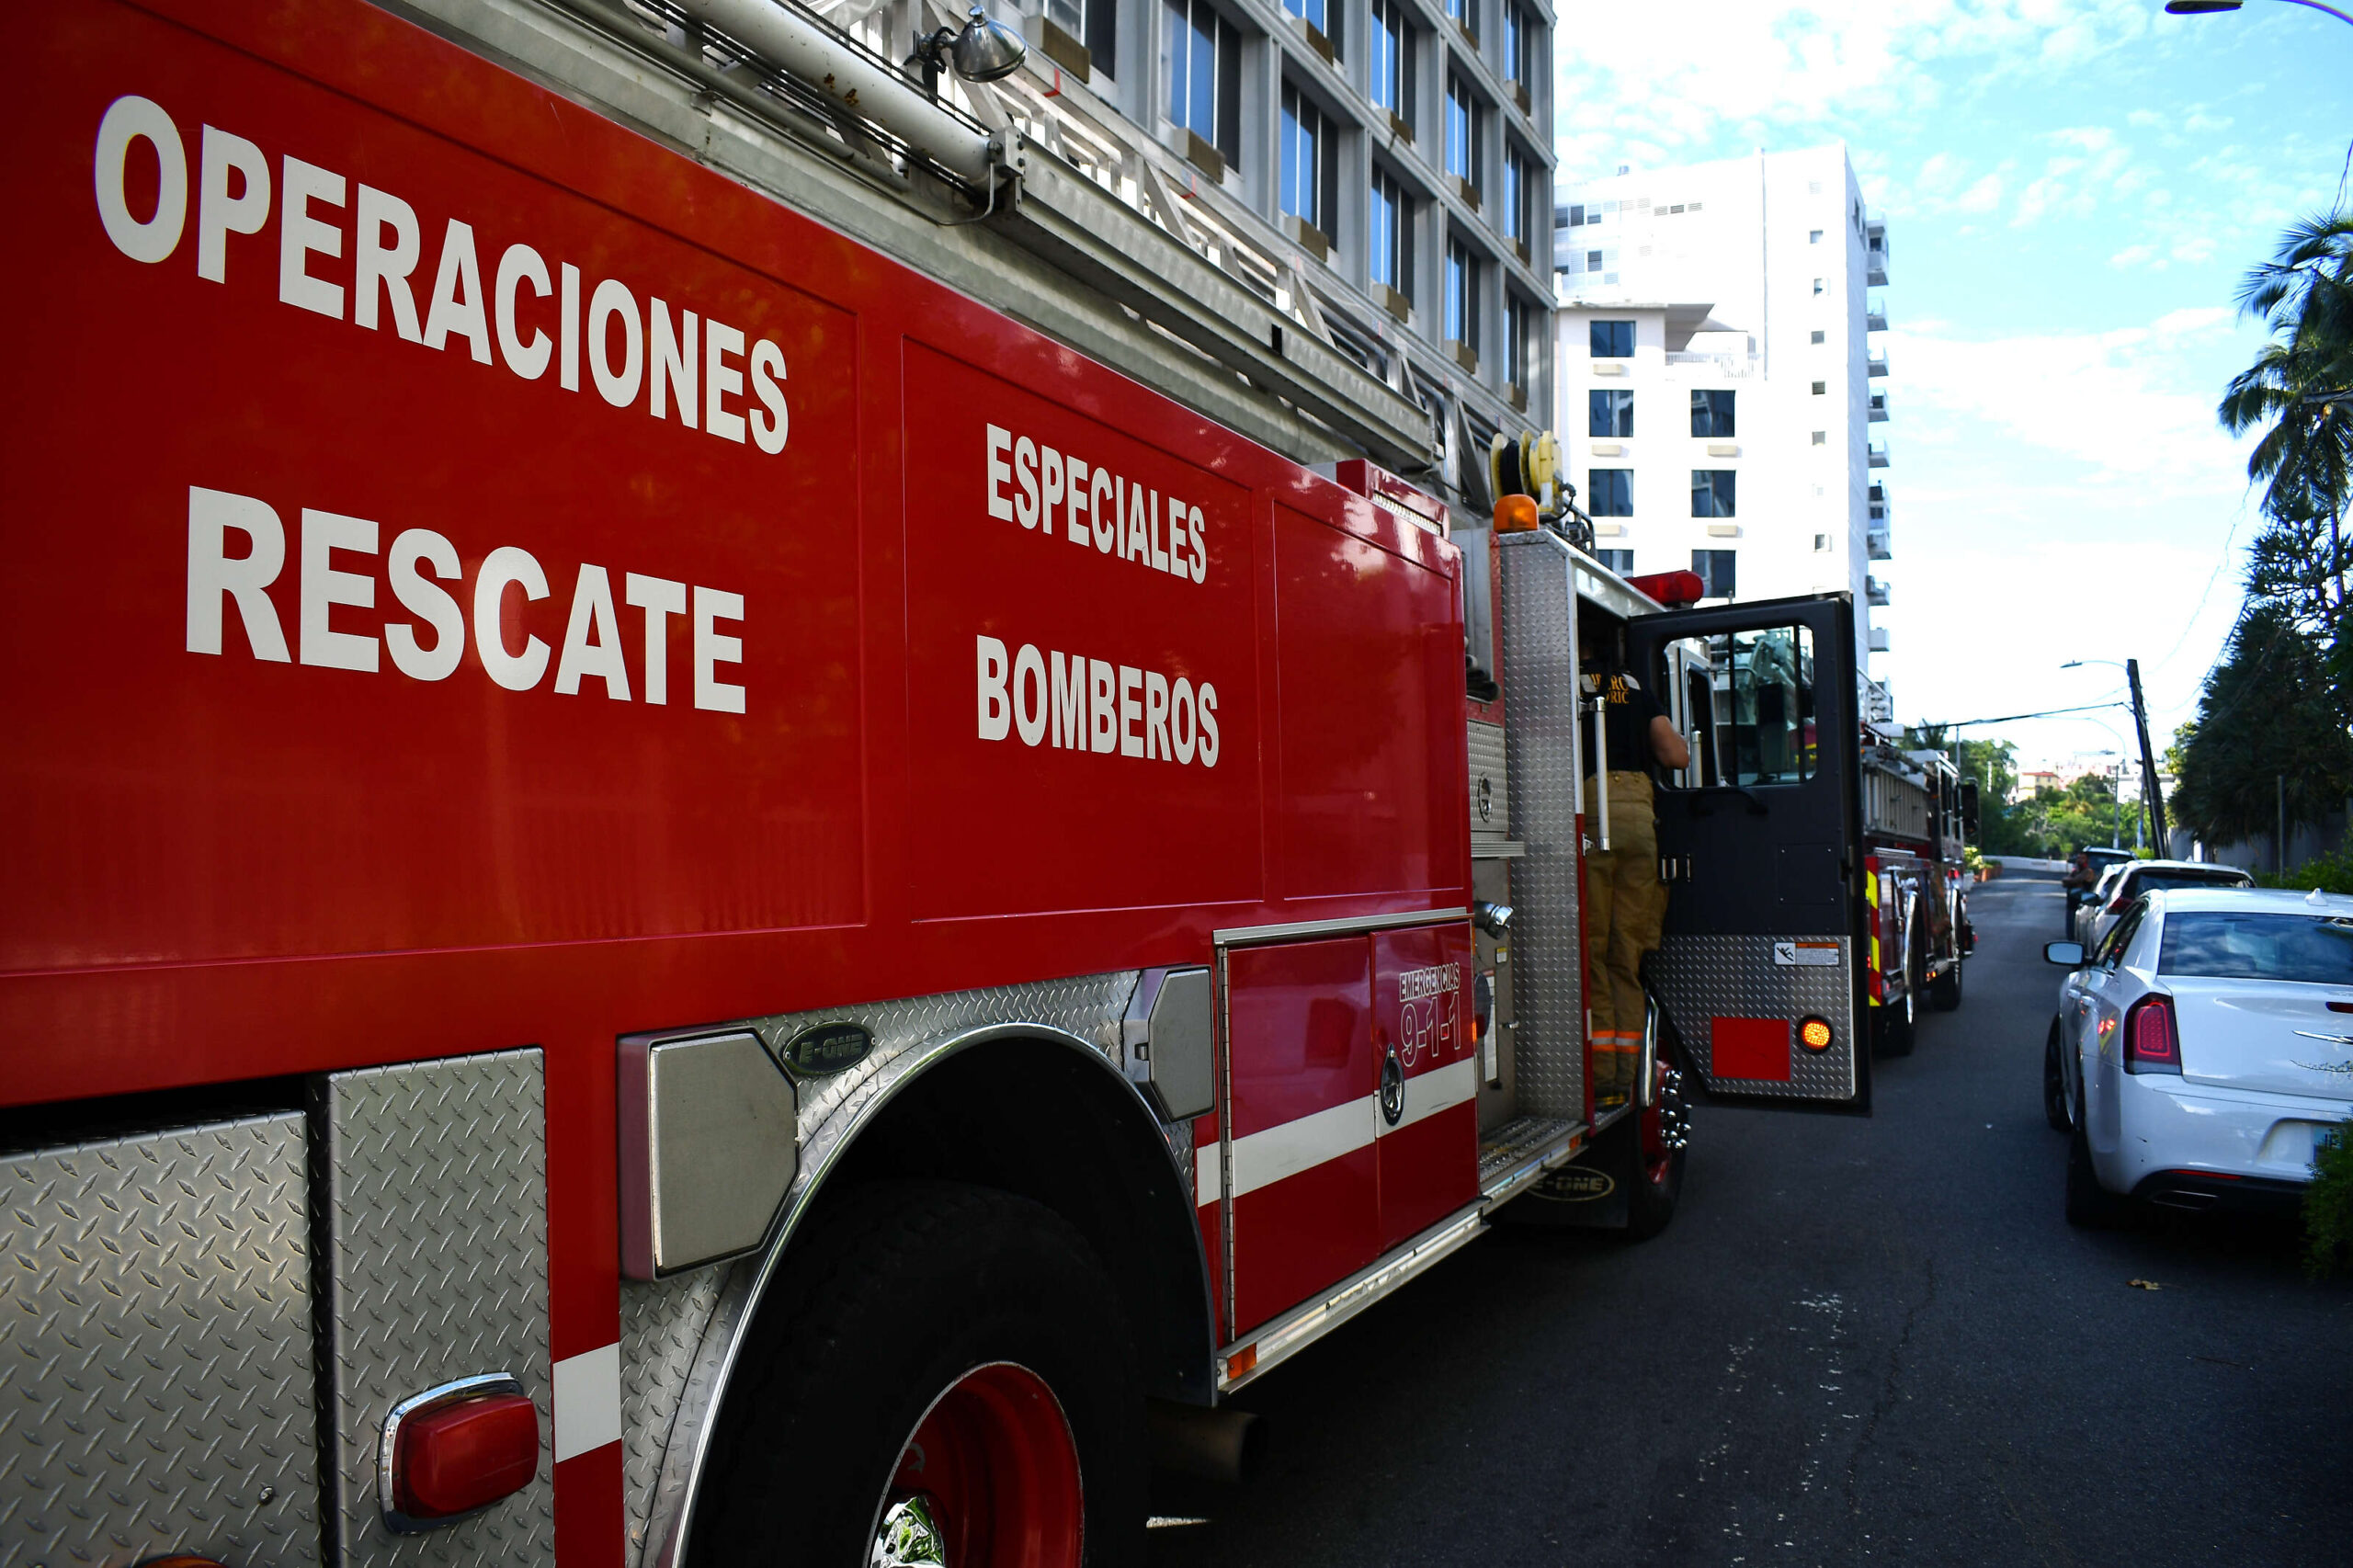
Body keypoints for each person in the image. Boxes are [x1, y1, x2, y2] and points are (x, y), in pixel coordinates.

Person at [1581, 636, 1691, 1113]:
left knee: (1592, 951)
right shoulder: (1634, 686)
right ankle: (1623, 1078)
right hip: (1638, 821)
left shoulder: (1567, 683)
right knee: (1625, 954)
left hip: (1589, 813)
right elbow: (1678, 757)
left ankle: (1599, 1075)